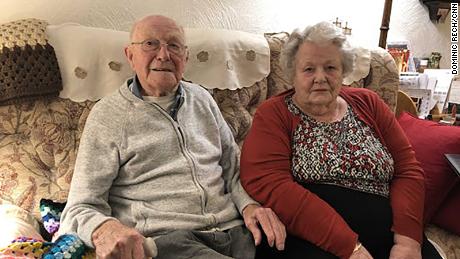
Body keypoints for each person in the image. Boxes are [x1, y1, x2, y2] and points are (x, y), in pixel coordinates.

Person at [59, 15, 286, 259]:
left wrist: (249, 205)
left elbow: (232, 168)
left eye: (174, 46)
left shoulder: (202, 99)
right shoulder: (107, 115)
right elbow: (79, 208)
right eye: (150, 44)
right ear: (130, 55)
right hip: (169, 241)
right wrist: (105, 229)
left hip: (236, 231)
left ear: (185, 57)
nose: (164, 55)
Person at [240, 21, 442, 259]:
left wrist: (408, 242)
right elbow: (269, 183)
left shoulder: (369, 103)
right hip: (309, 237)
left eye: (330, 68)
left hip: (390, 236)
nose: (320, 78)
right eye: (308, 69)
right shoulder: (273, 113)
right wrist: (350, 248)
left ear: (343, 70)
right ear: (292, 74)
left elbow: (407, 169)